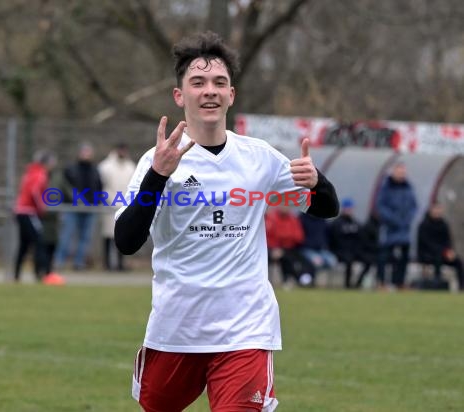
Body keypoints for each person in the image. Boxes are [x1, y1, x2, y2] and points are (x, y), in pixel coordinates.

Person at [114, 31, 339, 412]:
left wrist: (317, 181)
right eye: (197, 83)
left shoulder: (258, 157)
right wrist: (158, 176)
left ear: (231, 95)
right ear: (179, 95)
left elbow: (326, 207)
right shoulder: (156, 159)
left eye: (220, 83)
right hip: (177, 328)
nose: (209, 91)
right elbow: (126, 240)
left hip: (246, 329)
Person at [54, 142, 103, 271]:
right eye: (84, 152)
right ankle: (59, 262)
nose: (86, 155)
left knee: (85, 238)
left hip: (90, 208)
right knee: (66, 235)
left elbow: (99, 187)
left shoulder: (95, 171)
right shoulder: (70, 169)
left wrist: (96, 203)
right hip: (72, 208)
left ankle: (79, 263)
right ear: (79, 153)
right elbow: (65, 188)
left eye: (88, 152)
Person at [13, 149, 56, 282]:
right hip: (29, 212)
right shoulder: (40, 174)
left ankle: (16, 275)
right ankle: (41, 274)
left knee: (24, 244)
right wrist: (41, 207)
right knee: (39, 242)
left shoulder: (29, 173)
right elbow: (35, 191)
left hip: (20, 211)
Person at [375, 161, 417, 289]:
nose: (401, 174)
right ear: (393, 172)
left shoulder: (408, 187)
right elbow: (381, 206)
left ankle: (400, 282)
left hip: (404, 229)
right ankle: (382, 282)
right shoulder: (386, 187)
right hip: (389, 228)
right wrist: (393, 219)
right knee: (384, 256)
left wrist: (408, 219)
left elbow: (414, 206)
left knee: (404, 257)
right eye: (399, 171)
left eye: (403, 172)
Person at [98, 143, 137, 271]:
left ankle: (120, 264)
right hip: (110, 204)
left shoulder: (131, 167)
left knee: (122, 234)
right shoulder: (105, 167)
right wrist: (109, 200)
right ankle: (107, 264)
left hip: (125, 205)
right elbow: (103, 186)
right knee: (108, 235)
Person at [417, 202, 463, 291]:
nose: (437, 211)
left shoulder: (444, 224)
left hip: (442, 253)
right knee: (438, 258)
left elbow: (448, 241)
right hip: (427, 254)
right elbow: (427, 243)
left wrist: (449, 251)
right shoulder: (424, 225)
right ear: (430, 210)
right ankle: (437, 285)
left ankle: (461, 287)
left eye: (439, 209)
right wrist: (443, 251)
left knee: (458, 261)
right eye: (435, 209)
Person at [265, 205, 314, 288]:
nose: (285, 208)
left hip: (290, 247)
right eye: (283, 206)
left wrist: (285, 239)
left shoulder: (293, 219)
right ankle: (293, 279)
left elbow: (299, 236)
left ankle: (306, 278)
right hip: (271, 249)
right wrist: (276, 248)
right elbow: (269, 236)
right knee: (285, 259)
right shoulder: (272, 218)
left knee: (304, 259)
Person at [328, 198, 372, 288]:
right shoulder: (336, 224)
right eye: (347, 208)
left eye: (351, 208)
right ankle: (347, 285)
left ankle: (357, 284)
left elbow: (361, 239)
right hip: (341, 251)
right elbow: (333, 240)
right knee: (349, 261)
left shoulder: (356, 223)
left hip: (354, 251)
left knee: (369, 261)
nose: (349, 211)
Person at [299, 212, 338, 286]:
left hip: (321, 250)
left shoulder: (322, 218)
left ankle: (314, 280)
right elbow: (299, 237)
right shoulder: (302, 218)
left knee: (332, 261)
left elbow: (327, 235)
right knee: (317, 261)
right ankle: (309, 280)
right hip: (307, 249)